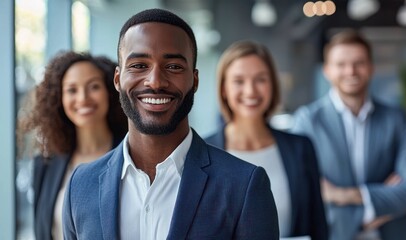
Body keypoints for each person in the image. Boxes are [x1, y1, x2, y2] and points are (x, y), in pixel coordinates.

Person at [62, 8, 279, 240]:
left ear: (194, 80)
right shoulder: (80, 186)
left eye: (173, 67)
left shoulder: (244, 186)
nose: (155, 82)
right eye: (138, 65)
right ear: (117, 79)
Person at [291, 30, 406, 240]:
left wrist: (342, 195)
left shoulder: (396, 119)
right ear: (327, 70)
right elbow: (302, 192)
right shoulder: (307, 121)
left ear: (371, 68)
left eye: (359, 63)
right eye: (341, 64)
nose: (351, 71)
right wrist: (384, 200)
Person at [204, 40, 328, 239]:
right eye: (239, 81)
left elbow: (318, 226)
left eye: (260, 79)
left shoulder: (301, 148)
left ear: (272, 85)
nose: (251, 91)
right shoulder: (202, 152)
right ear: (224, 89)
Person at [18, 51, 128, 240]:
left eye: (94, 86)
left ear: (109, 91)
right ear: (59, 98)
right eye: (72, 90)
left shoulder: (131, 155)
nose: (83, 98)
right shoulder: (45, 164)